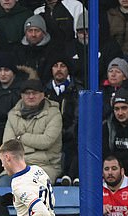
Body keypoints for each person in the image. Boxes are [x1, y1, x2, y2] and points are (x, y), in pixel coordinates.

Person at [2, 79, 63, 184]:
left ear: (43, 95)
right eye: (27, 93)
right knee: (2, 183)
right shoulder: (13, 114)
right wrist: (34, 146)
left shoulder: (54, 113)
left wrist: (21, 137)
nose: (30, 96)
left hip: (45, 165)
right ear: (21, 95)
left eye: (34, 93)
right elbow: (8, 145)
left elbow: (46, 141)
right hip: (16, 165)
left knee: (31, 186)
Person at [44, 55, 81, 185]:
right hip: (49, 136)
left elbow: (78, 117)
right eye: (55, 66)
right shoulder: (44, 91)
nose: (59, 69)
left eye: (63, 66)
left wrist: (66, 133)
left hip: (71, 136)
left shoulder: (78, 89)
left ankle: (71, 176)